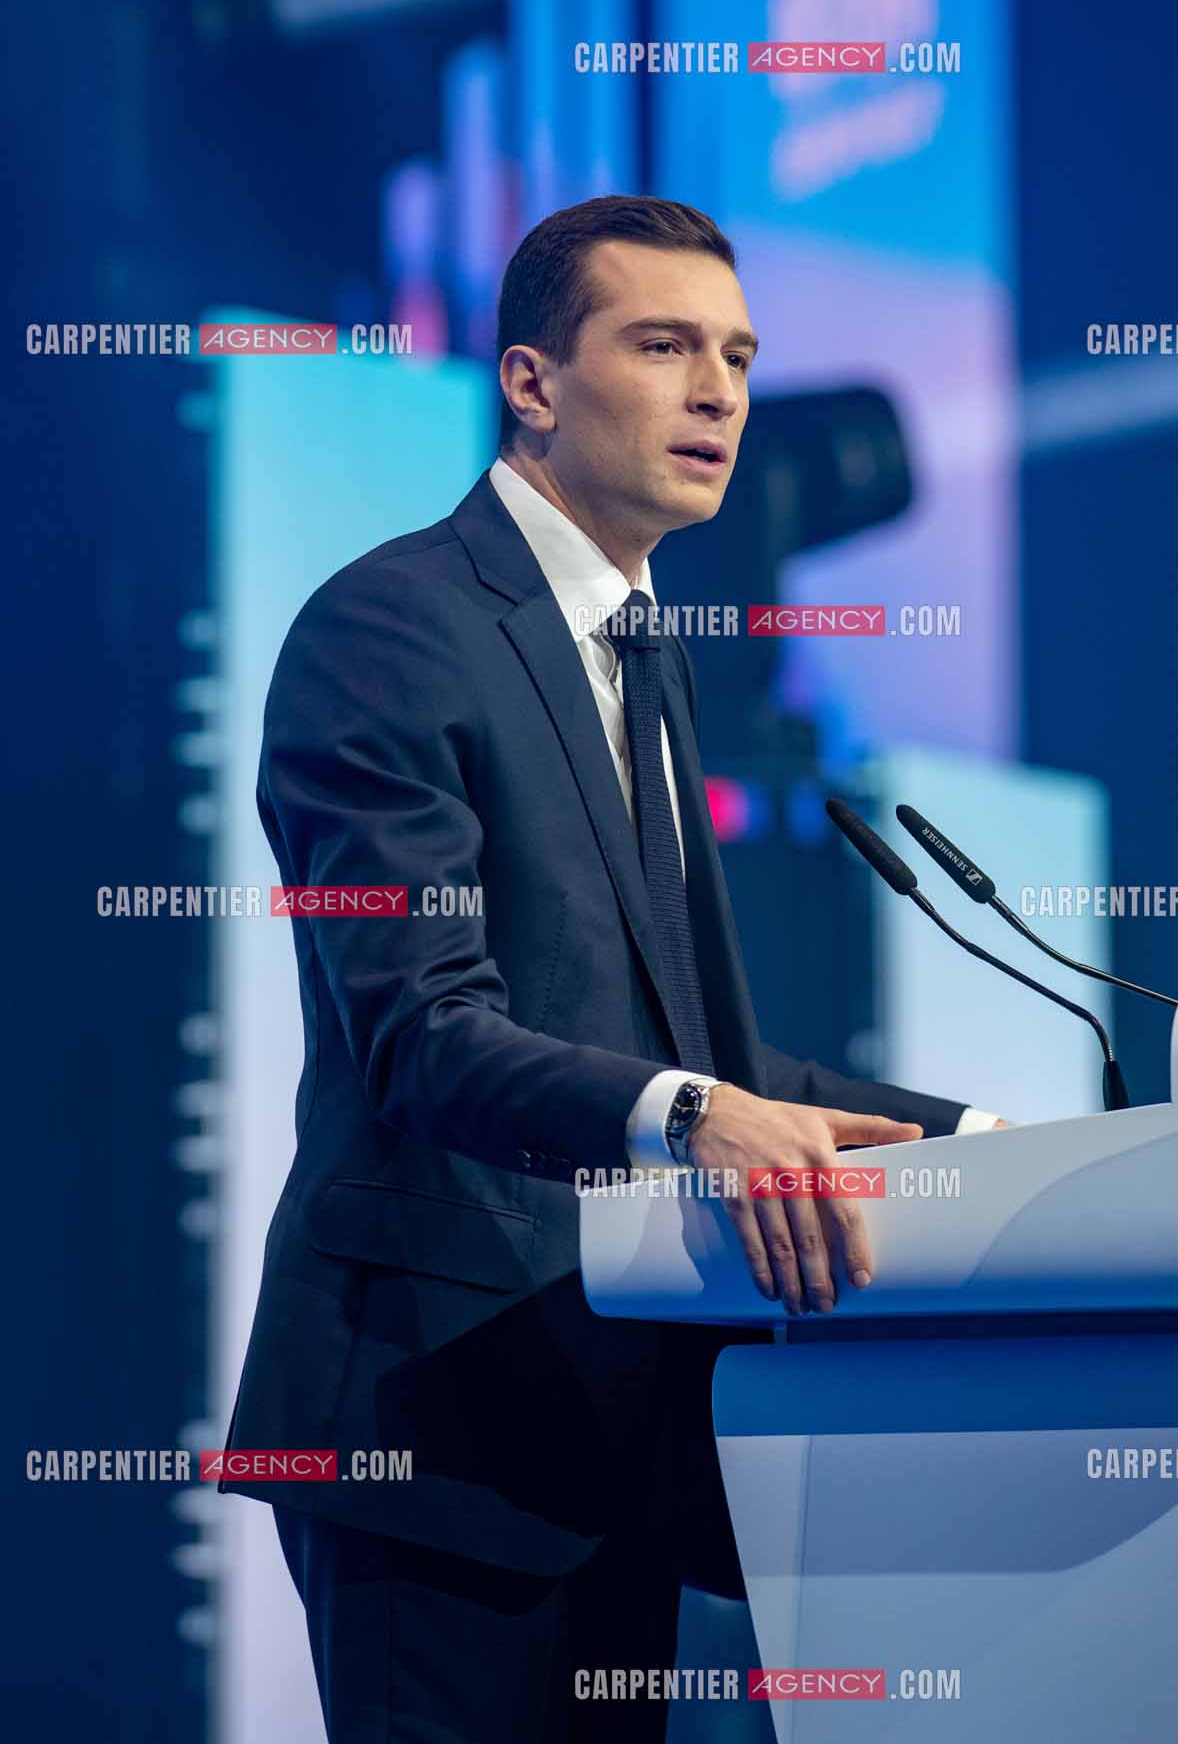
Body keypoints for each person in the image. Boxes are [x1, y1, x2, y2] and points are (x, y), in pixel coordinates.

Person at [220, 194, 1006, 1741]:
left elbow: (704, 1050)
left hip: (605, 1428)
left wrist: (988, 1147)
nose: (720, 390)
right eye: (664, 345)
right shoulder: (394, 626)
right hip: (433, 1430)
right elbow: (425, 1032)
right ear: (531, 380)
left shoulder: (646, 657)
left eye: (737, 354)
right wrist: (703, 1112)